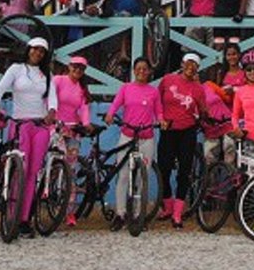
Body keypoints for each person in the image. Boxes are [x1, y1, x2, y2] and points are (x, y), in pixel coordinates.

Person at [0, 37, 57, 237]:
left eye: (42, 51)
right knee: (21, 169)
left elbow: (52, 97)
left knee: (33, 173)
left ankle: (24, 219)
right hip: (21, 124)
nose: (37, 53)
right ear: (28, 49)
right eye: (35, 49)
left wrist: (52, 111)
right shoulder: (16, 69)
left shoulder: (47, 74)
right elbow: (0, 89)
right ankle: (11, 214)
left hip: (40, 125)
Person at [105, 57, 163, 231]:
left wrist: (162, 120)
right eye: (138, 68)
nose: (142, 71)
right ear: (134, 70)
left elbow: (159, 111)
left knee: (141, 178)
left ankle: (138, 215)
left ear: (149, 72)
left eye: (145, 68)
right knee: (123, 175)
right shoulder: (126, 88)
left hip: (146, 137)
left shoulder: (153, 92)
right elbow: (116, 104)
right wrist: (110, 114)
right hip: (128, 135)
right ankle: (120, 213)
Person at [157, 53, 206, 228]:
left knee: (184, 172)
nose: (191, 67)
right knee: (163, 169)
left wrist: (203, 116)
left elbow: (203, 109)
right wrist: (160, 118)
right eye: (188, 63)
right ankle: (168, 206)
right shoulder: (168, 79)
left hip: (187, 131)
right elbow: (157, 100)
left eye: (195, 65)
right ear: (182, 64)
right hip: (168, 129)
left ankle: (177, 213)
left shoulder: (198, 88)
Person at [53, 56, 92, 227]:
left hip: (73, 129)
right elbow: (50, 100)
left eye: (81, 68)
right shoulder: (58, 80)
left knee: (71, 170)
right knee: (55, 161)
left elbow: (84, 108)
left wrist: (86, 123)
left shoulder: (81, 88)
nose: (78, 70)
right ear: (69, 67)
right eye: (75, 67)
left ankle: (69, 211)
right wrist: (51, 117)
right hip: (56, 128)